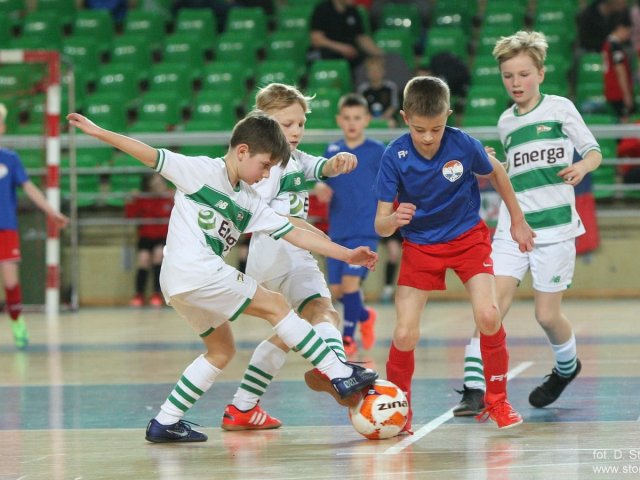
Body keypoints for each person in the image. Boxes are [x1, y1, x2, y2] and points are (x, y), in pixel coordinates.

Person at [66, 110, 379, 443]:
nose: (265, 174)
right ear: (242, 151)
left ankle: (164, 422)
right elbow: (149, 155)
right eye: (264, 165)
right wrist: (100, 132)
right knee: (275, 305)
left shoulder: (250, 200)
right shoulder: (199, 170)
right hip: (198, 272)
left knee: (221, 349)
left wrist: (346, 254)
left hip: (178, 283)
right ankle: (339, 372)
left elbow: (295, 233)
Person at [453, 31, 603, 418]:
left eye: (523, 74)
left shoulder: (560, 108)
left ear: (540, 72)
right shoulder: (505, 121)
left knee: (546, 316)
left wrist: (582, 166)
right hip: (512, 225)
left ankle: (567, 368)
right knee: (490, 308)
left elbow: (593, 151)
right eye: (508, 76)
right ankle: (473, 388)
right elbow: (510, 172)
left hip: (554, 228)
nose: (516, 83)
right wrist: (490, 163)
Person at [374, 76, 536, 433]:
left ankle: (497, 401)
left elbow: (497, 174)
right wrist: (393, 220)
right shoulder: (394, 156)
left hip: (467, 239)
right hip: (419, 246)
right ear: (404, 118)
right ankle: (400, 411)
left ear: (448, 114)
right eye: (419, 129)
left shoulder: (464, 144)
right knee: (404, 334)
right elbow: (380, 226)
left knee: (489, 315)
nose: (429, 137)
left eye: (437, 128)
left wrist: (518, 220)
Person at [222, 84, 370, 431]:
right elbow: (269, 219)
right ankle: (334, 369)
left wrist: (336, 163)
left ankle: (242, 408)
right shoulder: (266, 167)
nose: (296, 131)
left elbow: (319, 167)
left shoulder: (294, 158)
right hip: (277, 252)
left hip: (291, 253)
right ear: (264, 123)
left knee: (308, 323)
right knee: (313, 317)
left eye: (300, 124)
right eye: (287, 124)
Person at [315, 93, 385, 356]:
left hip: (366, 229)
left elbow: (392, 179)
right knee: (337, 290)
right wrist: (321, 186)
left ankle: (347, 338)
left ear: (366, 120)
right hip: (338, 231)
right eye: (347, 118)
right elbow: (323, 177)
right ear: (339, 120)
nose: (352, 123)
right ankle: (365, 315)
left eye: (357, 118)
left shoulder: (378, 151)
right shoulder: (333, 151)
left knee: (350, 285)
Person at [0, 103, 69, 348]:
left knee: (10, 282)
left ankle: (17, 324)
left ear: (3, 127)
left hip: (5, 229)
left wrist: (52, 212)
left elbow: (29, 188)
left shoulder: (10, 159)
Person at [126, 173, 174, 308]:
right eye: (156, 184)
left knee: (158, 256)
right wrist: (132, 200)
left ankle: (156, 294)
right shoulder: (143, 198)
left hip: (163, 236)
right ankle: (139, 294)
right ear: (150, 186)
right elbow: (130, 216)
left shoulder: (169, 197)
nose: (159, 187)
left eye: (161, 184)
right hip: (146, 235)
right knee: (143, 259)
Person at [310, 0, 384, 70]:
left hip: (350, 54)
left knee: (368, 62)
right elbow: (317, 40)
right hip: (328, 52)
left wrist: (379, 53)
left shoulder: (353, 11)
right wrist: (342, 48)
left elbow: (361, 38)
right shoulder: (322, 10)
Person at [603, 10, 635, 120]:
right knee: (624, 123)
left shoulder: (607, 44)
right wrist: (627, 95)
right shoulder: (615, 46)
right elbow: (620, 71)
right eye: (628, 31)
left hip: (611, 91)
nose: (628, 35)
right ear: (621, 28)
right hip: (618, 92)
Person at [357, 55, 400, 128]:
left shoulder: (391, 87)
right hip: (369, 118)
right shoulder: (363, 89)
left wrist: (384, 117)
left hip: (387, 118)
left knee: (391, 123)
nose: (374, 73)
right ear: (367, 73)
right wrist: (369, 117)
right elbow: (362, 106)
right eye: (371, 71)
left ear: (383, 72)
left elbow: (394, 105)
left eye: (377, 71)